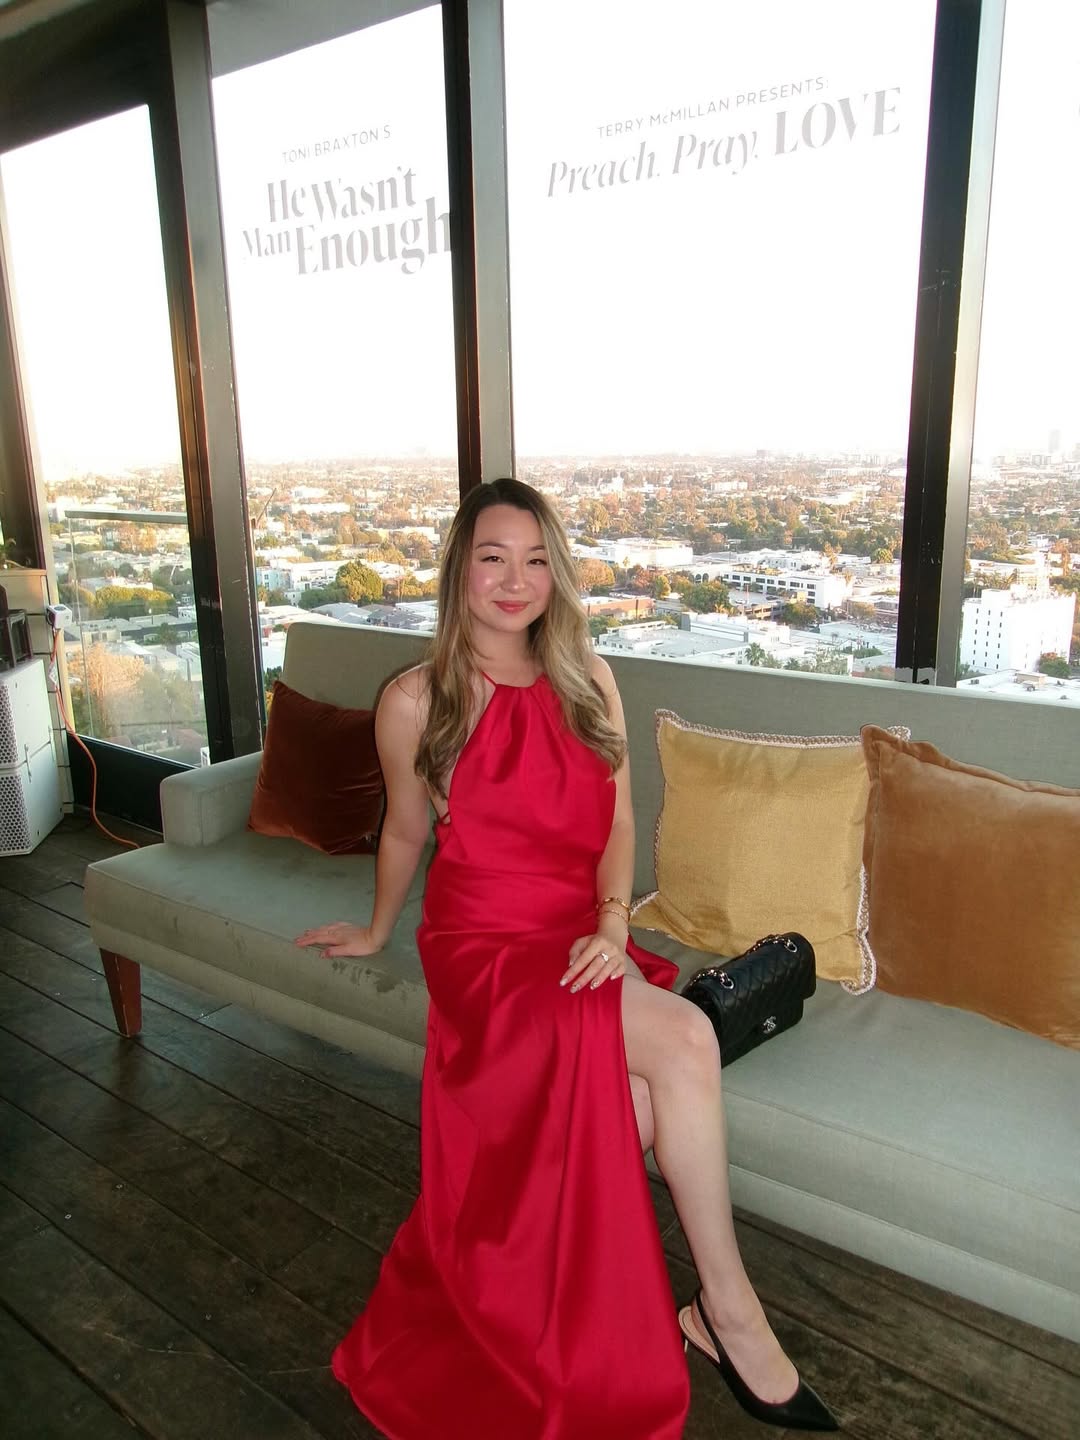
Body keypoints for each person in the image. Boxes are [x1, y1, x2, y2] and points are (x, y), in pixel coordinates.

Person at [296, 478, 837, 1438]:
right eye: (493, 558)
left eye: (537, 560)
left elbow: (619, 822)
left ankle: (611, 1286)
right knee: (684, 1042)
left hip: (579, 931)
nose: (516, 581)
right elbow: (405, 832)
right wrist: (378, 931)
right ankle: (730, 1312)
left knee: (631, 1100)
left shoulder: (588, 674)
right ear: (460, 569)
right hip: (484, 945)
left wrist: (614, 927)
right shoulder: (415, 699)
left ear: (559, 573)